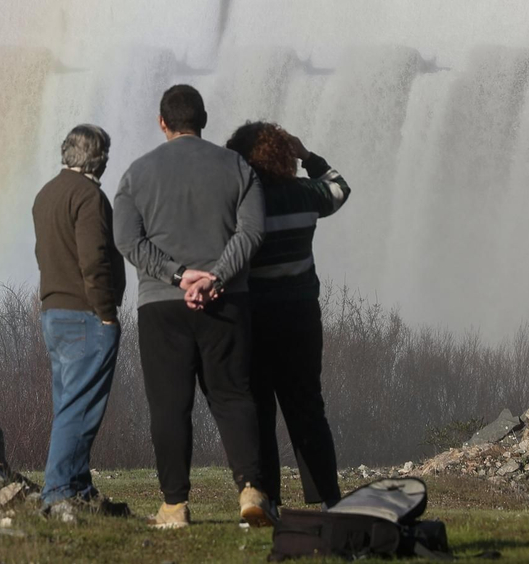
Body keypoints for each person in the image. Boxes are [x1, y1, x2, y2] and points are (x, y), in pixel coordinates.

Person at [113, 84, 273, 529]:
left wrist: (177, 275)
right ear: (203, 119)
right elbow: (253, 232)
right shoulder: (237, 167)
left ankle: (174, 506)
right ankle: (251, 490)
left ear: (162, 122)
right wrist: (216, 276)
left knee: (169, 405)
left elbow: (127, 239)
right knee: (233, 396)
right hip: (228, 302)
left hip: (161, 307)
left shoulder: (136, 174)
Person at [224, 121, 351, 509]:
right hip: (301, 317)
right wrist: (308, 155)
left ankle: (267, 501)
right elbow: (339, 188)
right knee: (308, 407)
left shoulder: (244, 203)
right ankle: (328, 499)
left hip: (255, 316)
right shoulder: (304, 194)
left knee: (260, 409)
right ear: (284, 156)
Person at [32, 123, 129, 516]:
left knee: (69, 402)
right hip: (85, 315)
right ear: (98, 158)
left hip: (53, 313)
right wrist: (107, 314)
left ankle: (78, 485)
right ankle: (57, 490)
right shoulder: (89, 196)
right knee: (79, 406)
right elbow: (94, 260)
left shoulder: (46, 193)